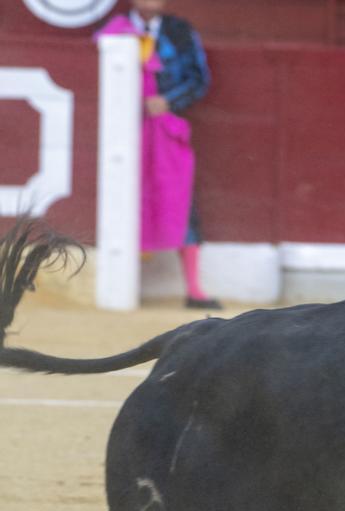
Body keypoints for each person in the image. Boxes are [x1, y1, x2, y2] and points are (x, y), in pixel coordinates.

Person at [97, 0, 220, 310]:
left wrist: (168, 101)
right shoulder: (114, 31)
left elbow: (199, 78)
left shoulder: (179, 32)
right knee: (125, 200)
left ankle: (194, 289)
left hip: (164, 129)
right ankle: (122, 282)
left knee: (178, 197)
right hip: (122, 133)